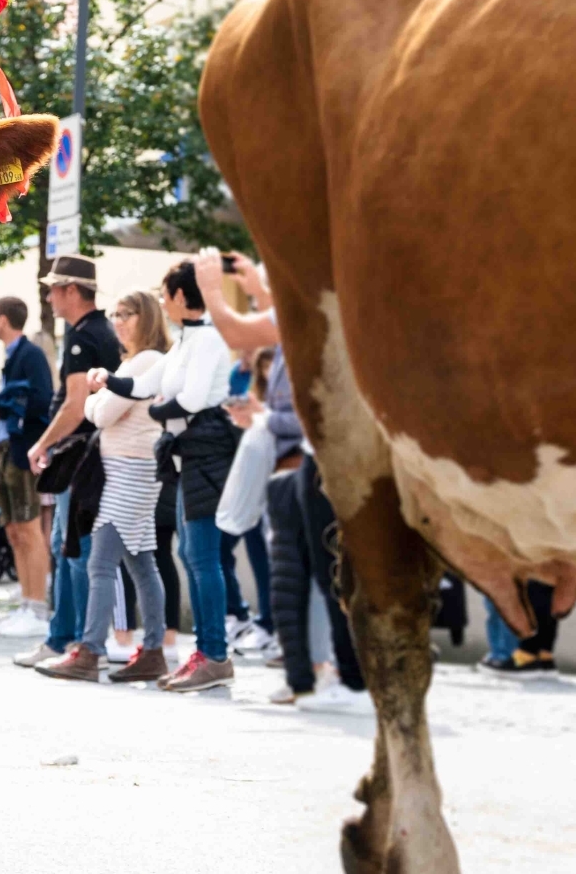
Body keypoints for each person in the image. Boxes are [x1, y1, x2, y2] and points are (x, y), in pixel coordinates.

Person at [195, 248, 370, 712]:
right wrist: (254, 286)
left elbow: (237, 329)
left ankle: (347, 679)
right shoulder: (306, 313)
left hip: (322, 463)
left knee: (325, 575)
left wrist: (212, 287)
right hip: (303, 465)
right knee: (296, 574)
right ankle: (307, 675)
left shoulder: (313, 311)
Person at [38, 291, 172, 683]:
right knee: (141, 564)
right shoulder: (135, 362)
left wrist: (101, 397)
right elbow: (100, 409)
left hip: (130, 470)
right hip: (128, 468)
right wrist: (103, 400)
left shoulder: (148, 360)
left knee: (101, 563)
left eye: (126, 314)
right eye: (115, 314)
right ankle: (152, 651)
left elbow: (101, 412)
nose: (118, 321)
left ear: (145, 317)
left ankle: (91, 651)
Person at [16, 256, 121, 668]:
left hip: (78, 456)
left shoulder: (83, 337)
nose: (49, 295)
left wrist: (40, 444)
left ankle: (73, 642)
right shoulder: (97, 331)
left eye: (54, 288)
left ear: (72, 291)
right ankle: (65, 638)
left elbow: (75, 406)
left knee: (74, 551)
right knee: (68, 548)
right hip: (88, 454)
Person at [142, 262, 240, 693]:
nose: (163, 302)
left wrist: (158, 408)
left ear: (181, 297)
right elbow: (157, 387)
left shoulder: (208, 339)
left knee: (203, 558)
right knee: (194, 557)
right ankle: (206, 652)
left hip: (207, 458)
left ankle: (215, 655)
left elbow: (192, 399)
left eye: (165, 294)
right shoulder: (189, 339)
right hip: (188, 459)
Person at [0, 295, 55, 639]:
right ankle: (27, 605)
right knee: (14, 531)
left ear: (4, 319)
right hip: (8, 450)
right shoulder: (15, 355)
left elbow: (42, 399)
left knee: (29, 530)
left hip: (22, 450)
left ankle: (38, 607)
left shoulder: (30, 355)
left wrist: (5, 410)